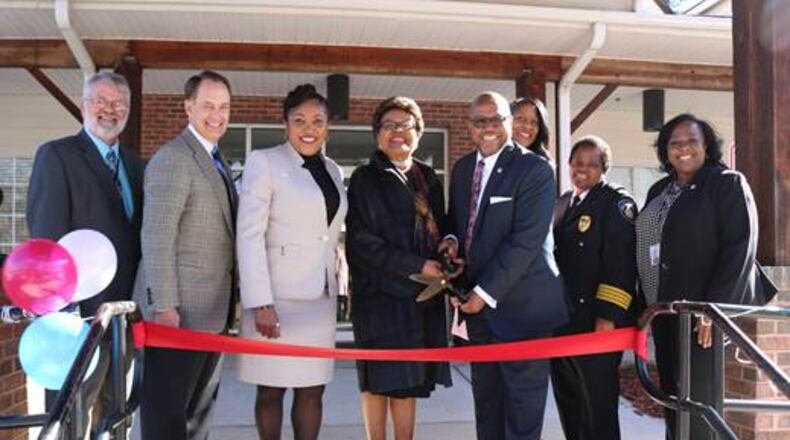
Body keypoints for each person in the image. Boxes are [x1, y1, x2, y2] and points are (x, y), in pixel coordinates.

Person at [443, 91, 568, 440]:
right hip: (479, 314)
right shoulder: (463, 168)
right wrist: (451, 241)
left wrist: (483, 294)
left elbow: (526, 242)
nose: (488, 127)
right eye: (479, 121)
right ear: (469, 126)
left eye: (496, 119)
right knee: (488, 408)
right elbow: (458, 221)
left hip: (524, 311)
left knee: (521, 417)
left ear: (509, 123)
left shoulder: (535, 170)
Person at [26, 71, 144, 437]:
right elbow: (46, 238)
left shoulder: (136, 165)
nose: (110, 109)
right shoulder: (57, 156)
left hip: (122, 316)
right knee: (74, 413)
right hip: (77, 317)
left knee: (116, 413)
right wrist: (61, 308)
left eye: (119, 103)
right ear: (83, 106)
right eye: (101, 101)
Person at [636, 113, 768, 440]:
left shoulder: (726, 183)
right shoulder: (659, 190)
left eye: (692, 141)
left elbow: (739, 248)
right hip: (665, 313)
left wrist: (714, 309)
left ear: (707, 145)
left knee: (699, 405)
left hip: (702, 319)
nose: (683, 148)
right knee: (673, 402)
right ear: (665, 150)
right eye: (675, 143)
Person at [235, 84, 347, 440]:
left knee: (313, 390)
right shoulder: (264, 161)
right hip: (276, 301)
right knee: (271, 390)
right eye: (299, 120)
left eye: (317, 120)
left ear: (328, 126)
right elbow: (249, 235)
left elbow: (329, 235)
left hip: (319, 301)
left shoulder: (333, 170)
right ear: (285, 123)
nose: (308, 128)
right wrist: (260, 302)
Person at [132, 70, 238, 440]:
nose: (217, 115)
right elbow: (157, 236)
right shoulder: (174, 158)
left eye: (224, 107)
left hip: (210, 316)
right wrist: (164, 306)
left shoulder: (216, 160)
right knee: (166, 422)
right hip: (176, 318)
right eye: (208, 106)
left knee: (196, 422)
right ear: (188, 107)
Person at [346, 96, 452, 440]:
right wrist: (417, 264)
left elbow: (441, 228)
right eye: (388, 126)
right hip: (379, 297)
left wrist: (447, 252)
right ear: (377, 134)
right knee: (377, 383)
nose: (397, 133)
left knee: (408, 386)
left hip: (421, 297)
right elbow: (362, 243)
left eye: (405, 126)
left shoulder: (427, 178)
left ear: (418, 133)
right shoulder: (365, 178)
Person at [551, 136, 640, 440]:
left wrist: (608, 317)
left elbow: (621, 265)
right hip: (563, 322)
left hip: (597, 324)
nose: (583, 169)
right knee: (571, 404)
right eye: (577, 162)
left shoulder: (616, 203)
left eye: (592, 164)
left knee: (597, 410)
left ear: (604, 168)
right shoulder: (563, 202)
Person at [510, 97, 552, 164]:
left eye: (534, 122)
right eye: (520, 119)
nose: (527, 126)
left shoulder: (541, 165)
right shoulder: (494, 158)